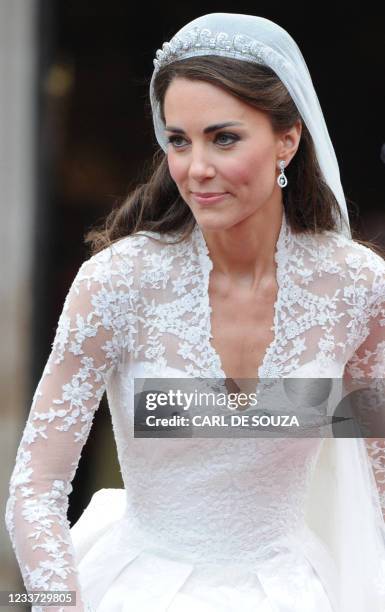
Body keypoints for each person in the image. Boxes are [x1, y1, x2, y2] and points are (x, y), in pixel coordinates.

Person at [5, 12, 385, 612]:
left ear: (288, 139)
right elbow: (35, 486)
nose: (195, 168)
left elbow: (379, 461)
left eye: (223, 137)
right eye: (178, 140)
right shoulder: (115, 283)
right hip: (134, 592)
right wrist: (58, 602)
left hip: (293, 593)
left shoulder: (356, 286)